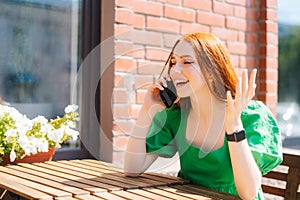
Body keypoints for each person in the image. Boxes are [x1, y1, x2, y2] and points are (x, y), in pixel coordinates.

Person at [124, 32, 282, 200]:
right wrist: (147, 109)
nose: (175, 70)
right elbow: (132, 169)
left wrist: (234, 126)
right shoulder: (176, 116)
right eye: (173, 62)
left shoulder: (251, 116)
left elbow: (249, 193)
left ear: (213, 70)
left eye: (187, 62)